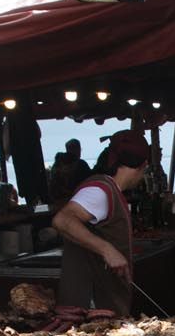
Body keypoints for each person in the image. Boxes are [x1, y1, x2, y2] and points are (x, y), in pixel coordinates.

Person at [53, 130, 150, 316]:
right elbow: (63, 220)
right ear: (143, 166)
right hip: (88, 304)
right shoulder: (99, 191)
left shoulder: (110, 189)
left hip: (102, 303)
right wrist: (107, 249)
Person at [47, 139, 90, 207]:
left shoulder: (57, 164)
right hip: (74, 202)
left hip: (56, 202)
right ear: (77, 149)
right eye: (79, 149)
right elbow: (89, 182)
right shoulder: (81, 164)